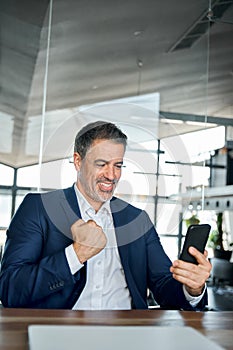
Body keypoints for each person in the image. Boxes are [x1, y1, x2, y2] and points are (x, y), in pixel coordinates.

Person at [0, 121, 211, 310]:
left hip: (128, 334)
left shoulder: (137, 220)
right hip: (60, 333)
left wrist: (192, 288)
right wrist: (75, 255)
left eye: (118, 165)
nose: (111, 175)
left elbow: (164, 286)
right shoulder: (39, 208)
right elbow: (10, 289)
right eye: (101, 164)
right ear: (78, 161)